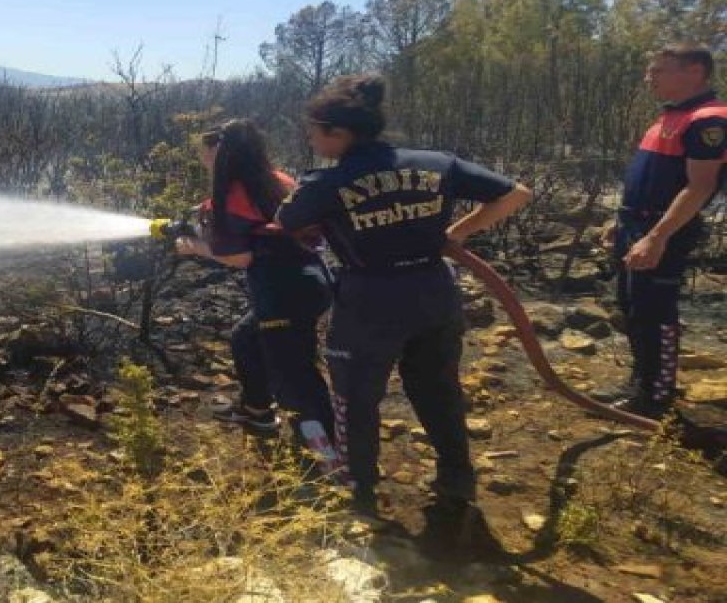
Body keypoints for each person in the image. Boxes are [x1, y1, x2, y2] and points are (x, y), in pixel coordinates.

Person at [275, 75, 531, 514]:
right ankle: (457, 477)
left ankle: (359, 487)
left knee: (355, 397)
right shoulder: (435, 163)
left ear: (339, 132)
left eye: (315, 131)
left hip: (369, 301)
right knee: (438, 389)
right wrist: (455, 234)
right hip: (434, 291)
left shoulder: (325, 183)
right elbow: (516, 194)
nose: (311, 139)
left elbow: (287, 220)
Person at [174, 119, 337, 461]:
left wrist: (194, 247)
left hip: (281, 294)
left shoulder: (231, 197)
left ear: (222, 155)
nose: (205, 163)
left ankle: (325, 455)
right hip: (313, 281)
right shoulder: (277, 180)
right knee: (246, 338)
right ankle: (258, 412)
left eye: (207, 156)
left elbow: (239, 256)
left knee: (294, 377)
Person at [593, 45, 725, 418]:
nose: (649, 77)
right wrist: (619, 221)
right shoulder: (669, 117)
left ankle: (656, 397)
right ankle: (640, 382)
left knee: (655, 312)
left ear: (695, 71)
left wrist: (657, 237)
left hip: (662, 230)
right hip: (635, 223)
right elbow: (649, 179)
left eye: (659, 70)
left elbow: (699, 187)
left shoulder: (709, 120)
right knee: (632, 308)